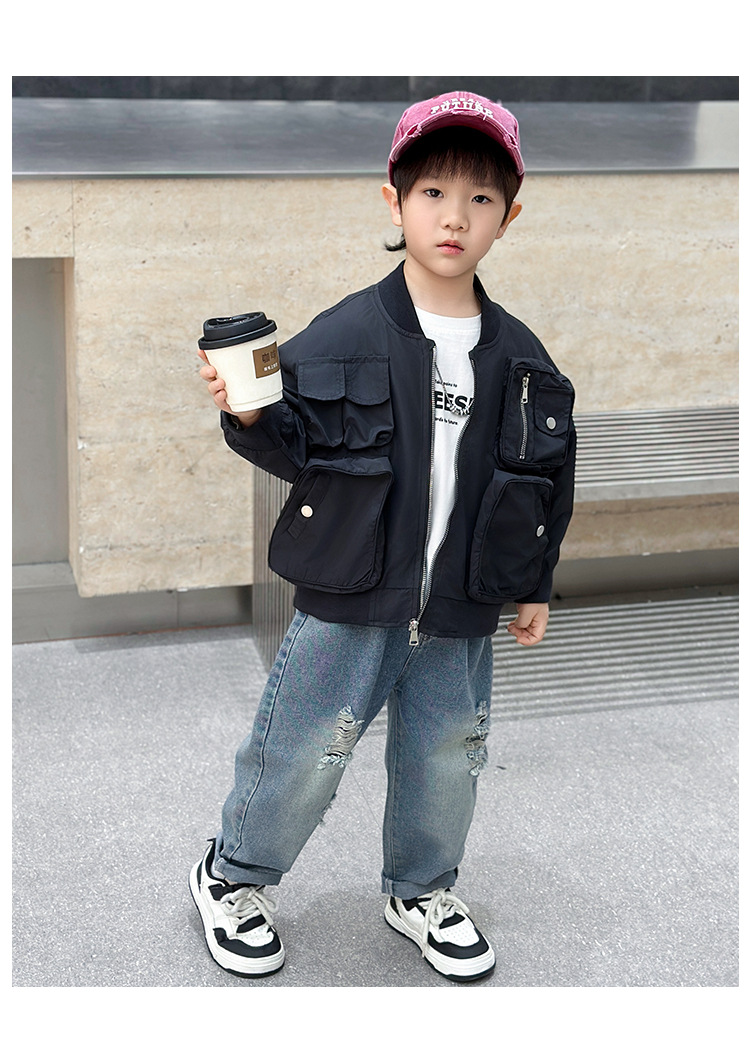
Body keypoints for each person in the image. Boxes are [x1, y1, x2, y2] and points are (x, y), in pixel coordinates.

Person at [191, 90, 576, 983]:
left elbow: (548, 482)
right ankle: (232, 877)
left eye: (480, 198)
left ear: (509, 217)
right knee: (304, 752)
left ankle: (422, 890)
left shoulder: (523, 357)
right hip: (349, 601)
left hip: (462, 610)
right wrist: (247, 415)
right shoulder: (347, 332)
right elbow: (294, 446)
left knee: (448, 759)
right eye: (433, 193)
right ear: (394, 202)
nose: (454, 217)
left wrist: (536, 584)